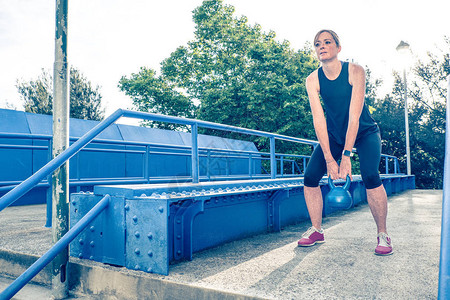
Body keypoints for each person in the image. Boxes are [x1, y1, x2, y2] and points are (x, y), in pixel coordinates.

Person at [297, 29, 393, 256]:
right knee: (310, 177)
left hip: (365, 131)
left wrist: (346, 156)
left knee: (370, 175)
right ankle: (317, 230)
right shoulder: (312, 80)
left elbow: (354, 115)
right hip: (334, 134)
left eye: (327, 42)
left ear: (338, 48)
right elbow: (318, 119)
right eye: (317, 43)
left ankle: (383, 234)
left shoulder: (355, 71)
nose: (322, 46)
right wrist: (330, 159)